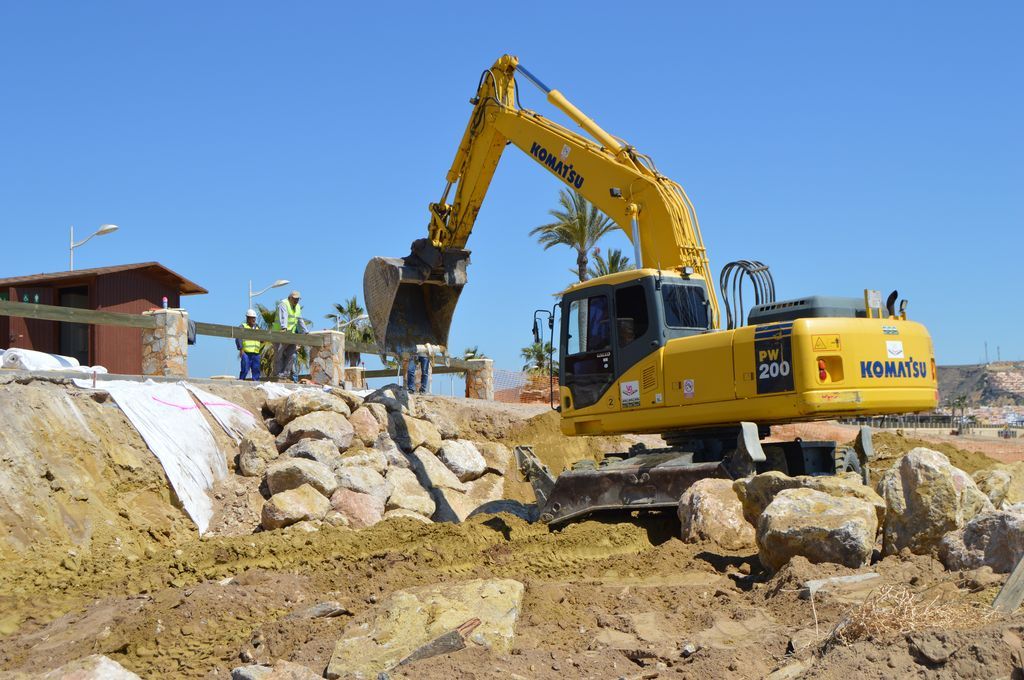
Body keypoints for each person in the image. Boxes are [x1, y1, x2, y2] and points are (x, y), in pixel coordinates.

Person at [272, 290, 309, 382]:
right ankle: (278, 375)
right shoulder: (283, 304)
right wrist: (284, 328)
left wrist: (305, 331)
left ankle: (285, 374)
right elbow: (283, 316)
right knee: (279, 355)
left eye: (298, 299)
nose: (296, 301)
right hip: (279, 334)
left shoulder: (297, 307)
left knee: (292, 355)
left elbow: (300, 319)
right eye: (295, 299)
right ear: (290, 298)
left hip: (291, 335)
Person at [236, 309, 262, 381]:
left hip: (256, 353)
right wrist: (241, 349)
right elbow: (238, 337)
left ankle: (256, 383)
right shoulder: (243, 326)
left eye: (254, 318)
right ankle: (241, 381)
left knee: (256, 369)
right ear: (248, 318)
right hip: (246, 352)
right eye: (252, 318)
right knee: (245, 368)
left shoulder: (257, 327)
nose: (254, 319)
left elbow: (262, 338)